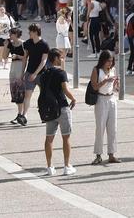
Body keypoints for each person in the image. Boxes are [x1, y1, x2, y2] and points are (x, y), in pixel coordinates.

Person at [37, 49, 76, 177]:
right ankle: (66, 166)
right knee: (66, 137)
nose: (62, 59)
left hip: (49, 109)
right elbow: (65, 89)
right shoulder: (61, 73)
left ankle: (49, 167)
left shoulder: (44, 74)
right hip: (62, 107)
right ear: (55, 58)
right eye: (60, 57)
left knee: (49, 138)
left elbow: (42, 90)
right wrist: (73, 98)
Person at [87, 50, 121, 165]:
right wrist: (106, 81)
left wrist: (117, 84)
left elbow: (116, 88)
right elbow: (95, 87)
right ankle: (98, 155)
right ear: (103, 60)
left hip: (111, 99)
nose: (110, 64)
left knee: (113, 128)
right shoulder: (96, 70)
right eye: (108, 61)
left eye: (111, 61)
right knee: (100, 128)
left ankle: (111, 154)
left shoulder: (113, 70)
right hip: (101, 99)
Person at [20, 23, 51, 126]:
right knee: (27, 95)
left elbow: (44, 61)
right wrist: (22, 73)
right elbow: (25, 58)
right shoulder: (28, 43)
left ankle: (45, 115)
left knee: (43, 96)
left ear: (35, 32)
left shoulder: (44, 44)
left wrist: (35, 73)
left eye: (30, 31)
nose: (28, 33)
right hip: (29, 72)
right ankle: (24, 115)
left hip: (42, 74)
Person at [6, 28, 26, 124]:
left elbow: (26, 58)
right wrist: (6, 46)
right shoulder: (11, 44)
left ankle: (21, 114)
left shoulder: (23, 44)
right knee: (15, 92)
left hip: (20, 68)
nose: (9, 36)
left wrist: (17, 56)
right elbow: (4, 56)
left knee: (21, 92)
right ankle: (19, 114)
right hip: (13, 69)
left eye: (11, 34)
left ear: (16, 34)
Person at [0, 3, 14, 68]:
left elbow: (13, 27)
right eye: (0, 9)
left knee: (6, 50)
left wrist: (13, 36)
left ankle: (6, 63)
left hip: (7, 37)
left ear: (5, 10)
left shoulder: (9, 17)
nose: (2, 11)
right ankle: (0, 62)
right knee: (0, 50)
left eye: (3, 9)